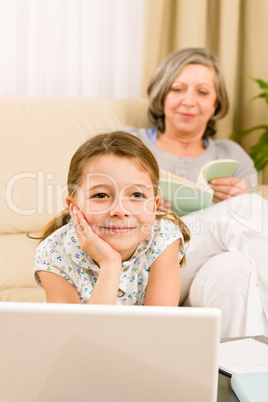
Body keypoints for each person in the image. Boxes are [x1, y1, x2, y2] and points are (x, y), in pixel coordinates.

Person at [125, 47, 268, 337]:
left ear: (216, 104)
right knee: (245, 209)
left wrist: (241, 195)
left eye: (203, 92)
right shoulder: (130, 144)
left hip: (194, 281)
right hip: (145, 263)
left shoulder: (232, 154)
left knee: (235, 267)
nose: (189, 101)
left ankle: (239, 372)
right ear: (163, 95)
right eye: (178, 89)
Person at [33, 131, 190, 306]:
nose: (120, 210)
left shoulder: (163, 238)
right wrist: (110, 264)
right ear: (73, 206)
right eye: (101, 195)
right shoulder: (54, 251)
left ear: (154, 205)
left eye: (136, 194)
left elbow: (160, 327)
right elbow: (81, 333)